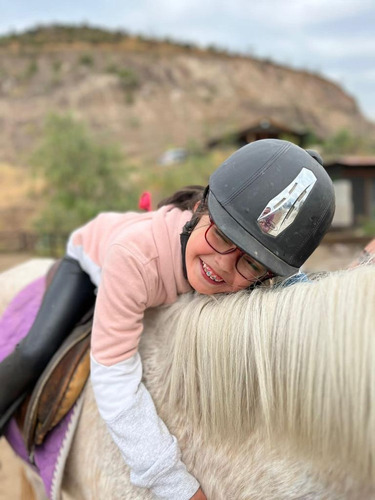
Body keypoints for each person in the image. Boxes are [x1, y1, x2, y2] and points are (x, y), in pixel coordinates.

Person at [0, 139, 335, 499]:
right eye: (221, 235)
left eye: (251, 262)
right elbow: (113, 376)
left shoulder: (245, 263)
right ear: (199, 209)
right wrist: (174, 485)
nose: (222, 265)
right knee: (37, 349)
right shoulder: (133, 256)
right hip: (93, 256)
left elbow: (296, 290)